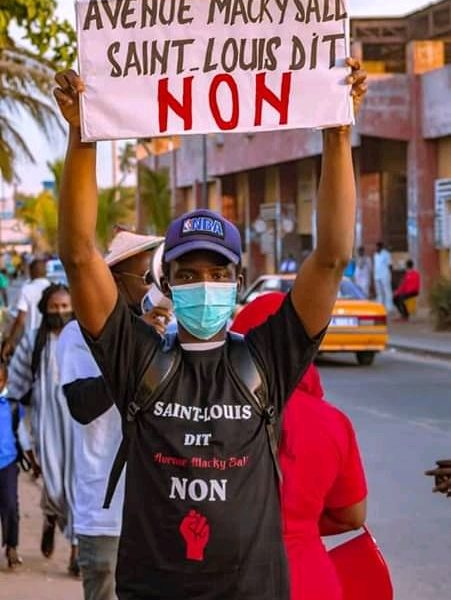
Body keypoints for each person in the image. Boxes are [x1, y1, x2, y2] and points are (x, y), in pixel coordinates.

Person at [54, 60, 366, 599]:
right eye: (189, 275)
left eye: (218, 274)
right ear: (168, 285)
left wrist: (338, 134)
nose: (205, 284)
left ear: (238, 280)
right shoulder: (139, 360)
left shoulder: (267, 359)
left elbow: (333, 256)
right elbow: (81, 258)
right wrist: (82, 137)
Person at [232, 293, 368, 600]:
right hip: (310, 581)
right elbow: (353, 515)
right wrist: (299, 525)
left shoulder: (209, 414)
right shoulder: (332, 422)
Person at [57, 229, 166, 600]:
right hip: (104, 513)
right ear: (114, 282)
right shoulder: (76, 335)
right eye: (146, 276)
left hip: (155, 507)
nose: (153, 285)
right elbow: (82, 407)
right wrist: (134, 348)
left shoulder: (158, 330)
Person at [6, 284, 79, 575]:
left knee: (77, 489)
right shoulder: (34, 343)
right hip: (46, 427)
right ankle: (51, 516)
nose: (60, 312)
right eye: (54, 307)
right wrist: (20, 437)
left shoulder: (84, 340)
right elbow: (16, 386)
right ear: (45, 309)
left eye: (65, 307)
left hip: (79, 427)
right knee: (56, 488)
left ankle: (76, 552)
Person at [0, 362, 38, 569]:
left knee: (10, 508)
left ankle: (12, 547)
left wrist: (33, 462)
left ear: (4, 381)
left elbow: (23, 437)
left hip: (7, 465)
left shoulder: (13, 406)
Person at [1, 258, 50, 361]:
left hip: (31, 341)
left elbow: (20, 320)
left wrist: (10, 342)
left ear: (31, 272)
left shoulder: (27, 289)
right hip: (49, 341)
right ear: (46, 272)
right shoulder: (52, 288)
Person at [373, 242, 393, 311]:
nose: (376, 248)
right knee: (379, 292)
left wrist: (390, 275)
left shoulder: (386, 254)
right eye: (375, 247)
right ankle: (380, 306)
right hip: (377, 275)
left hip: (385, 275)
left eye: (377, 247)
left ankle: (389, 307)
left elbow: (390, 265)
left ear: (380, 247)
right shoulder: (375, 255)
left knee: (387, 291)